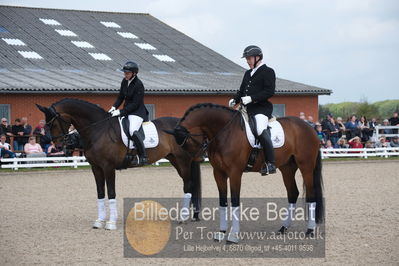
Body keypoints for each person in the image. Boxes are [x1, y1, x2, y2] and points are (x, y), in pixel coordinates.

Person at [229, 45, 276, 175]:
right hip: (245, 109)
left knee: (260, 129)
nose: (247, 61)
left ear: (258, 57)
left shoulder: (268, 71)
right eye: (247, 59)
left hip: (261, 109)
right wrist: (235, 99)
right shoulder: (247, 73)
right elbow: (242, 90)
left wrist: (252, 98)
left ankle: (271, 163)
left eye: (249, 58)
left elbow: (269, 91)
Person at [108, 61, 149, 166]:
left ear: (134, 73)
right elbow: (121, 97)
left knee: (132, 130)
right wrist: (113, 107)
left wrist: (120, 112)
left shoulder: (139, 85)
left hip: (137, 112)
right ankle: (127, 153)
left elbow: (135, 104)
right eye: (124, 73)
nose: (125, 75)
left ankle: (143, 155)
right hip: (127, 111)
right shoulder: (124, 81)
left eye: (127, 73)